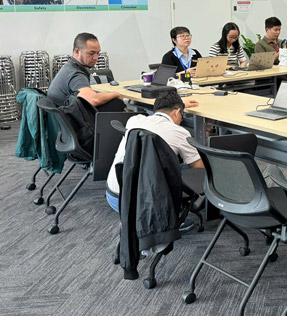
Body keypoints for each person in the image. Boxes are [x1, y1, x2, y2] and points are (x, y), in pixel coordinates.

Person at [105, 91, 204, 222]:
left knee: (172, 165)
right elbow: (199, 168)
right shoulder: (179, 132)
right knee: (186, 168)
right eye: (182, 115)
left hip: (114, 197)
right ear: (177, 112)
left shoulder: (134, 120)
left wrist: (178, 105)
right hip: (142, 207)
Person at [47, 32, 125, 111]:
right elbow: (93, 100)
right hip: (71, 116)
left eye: (98, 53)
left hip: (64, 114)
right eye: (91, 53)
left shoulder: (69, 67)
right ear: (77, 52)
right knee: (116, 103)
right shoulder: (75, 74)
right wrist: (116, 94)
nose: (96, 58)